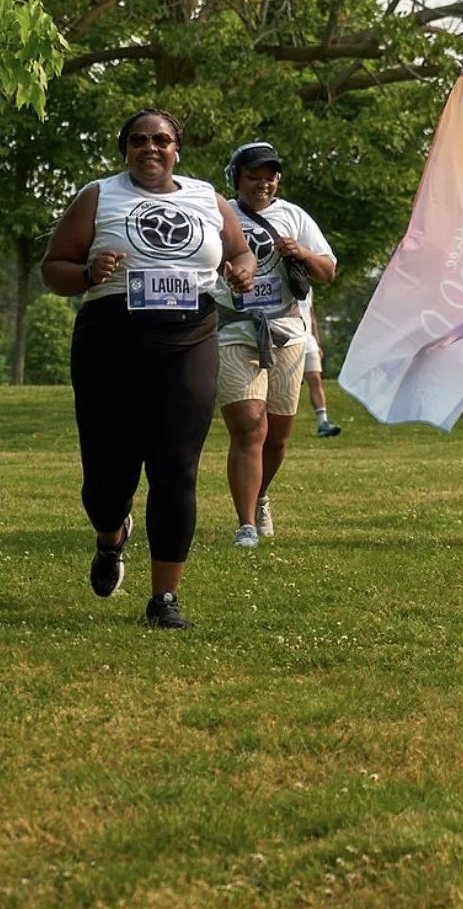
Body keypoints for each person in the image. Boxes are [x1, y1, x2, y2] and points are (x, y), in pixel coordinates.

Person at [41, 107, 256, 630]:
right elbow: (53, 269)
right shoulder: (99, 195)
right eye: (138, 140)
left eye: (161, 139)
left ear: (177, 147)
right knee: (106, 478)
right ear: (126, 149)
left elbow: (242, 252)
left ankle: (164, 598)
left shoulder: (208, 198)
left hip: (189, 340)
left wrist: (241, 270)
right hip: (109, 343)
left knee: (175, 468)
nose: (150, 148)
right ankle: (111, 536)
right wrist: (89, 271)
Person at [216, 142, 337, 545]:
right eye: (253, 177)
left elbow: (328, 271)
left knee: (278, 437)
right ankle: (246, 524)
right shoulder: (220, 215)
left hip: (287, 333)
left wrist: (300, 251)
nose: (263, 184)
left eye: (270, 177)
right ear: (236, 179)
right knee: (250, 425)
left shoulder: (294, 216)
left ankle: (261, 494)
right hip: (234, 330)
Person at [303, 302, 341, 436]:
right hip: (285, 341)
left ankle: (323, 423)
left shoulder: (308, 289)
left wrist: (317, 343)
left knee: (315, 379)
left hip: (308, 343)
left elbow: (311, 317)